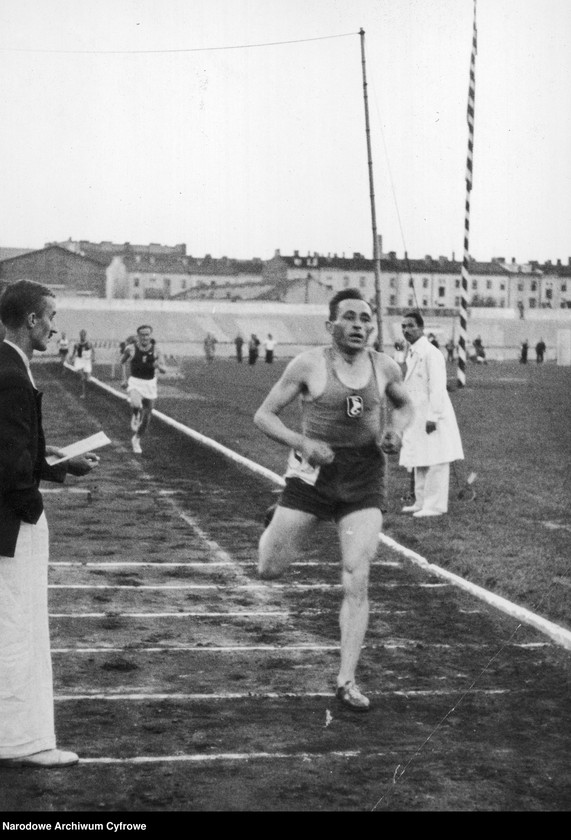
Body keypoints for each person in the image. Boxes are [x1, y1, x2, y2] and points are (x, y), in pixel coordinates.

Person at [254, 289, 413, 712]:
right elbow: (264, 415)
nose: (360, 325)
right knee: (269, 568)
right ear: (331, 326)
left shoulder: (385, 366)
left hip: (363, 478)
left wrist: (396, 432)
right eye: (350, 317)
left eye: (366, 318)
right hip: (313, 477)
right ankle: (277, 516)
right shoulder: (309, 364)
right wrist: (303, 441)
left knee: (355, 575)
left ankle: (346, 679)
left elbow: (404, 406)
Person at [0, 280, 100, 769]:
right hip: (9, 526)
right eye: (50, 317)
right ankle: (25, 743)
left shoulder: (8, 368)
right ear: (32, 321)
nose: (54, 326)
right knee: (18, 631)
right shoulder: (13, 376)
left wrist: (55, 463)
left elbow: (17, 450)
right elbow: (10, 465)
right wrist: (32, 509)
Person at [399, 311, 464, 517]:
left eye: (410, 326)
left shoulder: (431, 353)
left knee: (436, 459)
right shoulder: (412, 352)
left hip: (432, 414)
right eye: (404, 326)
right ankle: (421, 502)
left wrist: (433, 417)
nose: (406, 330)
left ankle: (435, 506)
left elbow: (437, 388)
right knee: (420, 458)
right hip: (417, 414)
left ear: (421, 328)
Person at [120, 324, 166, 454]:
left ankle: (136, 439)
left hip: (150, 384)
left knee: (147, 417)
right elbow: (122, 362)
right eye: (142, 335)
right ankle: (135, 414)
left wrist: (159, 366)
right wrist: (124, 379)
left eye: (147, 334)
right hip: (135, 382)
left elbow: (164, 369)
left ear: (150, 335)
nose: (145, 337)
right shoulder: (131, 348)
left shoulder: (157, 350)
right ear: (138, 336)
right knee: (135, 402)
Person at [68, 329, 95, 399]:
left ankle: (87, 392)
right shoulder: (77, 344)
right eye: (81, 335)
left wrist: (93, 357)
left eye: (84, 335)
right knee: (82, 377)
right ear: (80, 336)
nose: (82, 336)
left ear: (85, 335)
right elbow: (74, 353)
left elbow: (93, 351)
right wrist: (71, 358)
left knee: (88, 379)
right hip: (79, 361)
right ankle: (83, 393)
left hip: (87, 361)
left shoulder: (89, 344)